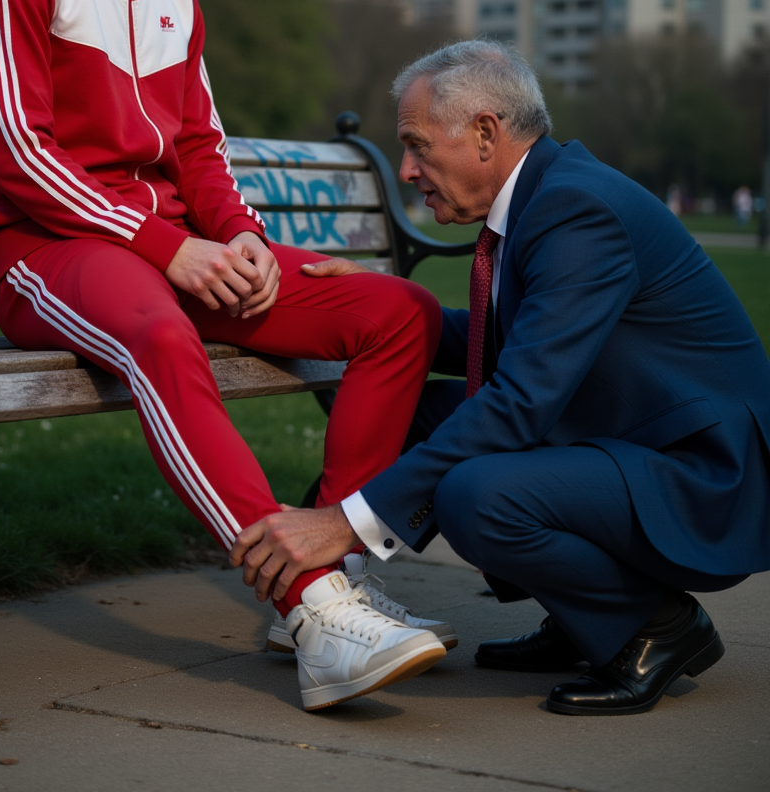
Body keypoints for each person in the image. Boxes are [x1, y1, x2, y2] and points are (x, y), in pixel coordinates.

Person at [0, 0, 453, 712]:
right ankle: (315, 615)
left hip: (172, 252)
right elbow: (19, 158)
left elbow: (198, 151)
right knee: (158, 334)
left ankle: (327, 554)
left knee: (393, 311)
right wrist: (168, 248)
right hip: (43, 255)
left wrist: (243, 246)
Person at [232, 39, 770, 716]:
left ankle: (653, 626)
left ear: (485, 133)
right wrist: (388, 298)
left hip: (703, 475)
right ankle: (577, 617)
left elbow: (520, 401)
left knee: (477, 493)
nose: (405, 169)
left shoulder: (576, 209)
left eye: (418, 145)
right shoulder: (548, 193)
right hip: (635, 437)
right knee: (425, 414)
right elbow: (513, 345)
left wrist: (348, 521)